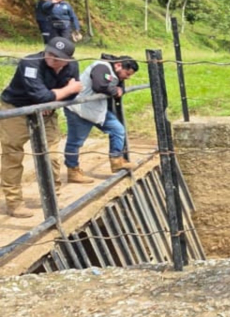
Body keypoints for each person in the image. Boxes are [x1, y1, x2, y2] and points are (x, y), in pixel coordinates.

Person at [0, 37, 81, 218]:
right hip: (16, 109)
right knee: (12, 155)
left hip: (47, 112)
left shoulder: (73, 66)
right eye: (49, 52)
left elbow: (72, 97)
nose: (51, 58)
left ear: (67, 59)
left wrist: (50, 102)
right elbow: (43, 95)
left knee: (52, 156)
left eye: (57, 56)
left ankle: (53, 198)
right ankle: (14, 202)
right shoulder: (30, 63)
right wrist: (64, 91)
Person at [63, 55, 139, 184]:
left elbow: (118, 86)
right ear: (118, 65)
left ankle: (116, 161)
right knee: (75, 142)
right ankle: (73, 171)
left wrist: (119, 89)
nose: (127, 77)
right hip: (79, 109)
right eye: (127, 73)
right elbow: (99, 86)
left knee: (118, 129)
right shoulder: (101, 67)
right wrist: (115, 91)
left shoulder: (114, 71)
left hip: (97, 110)